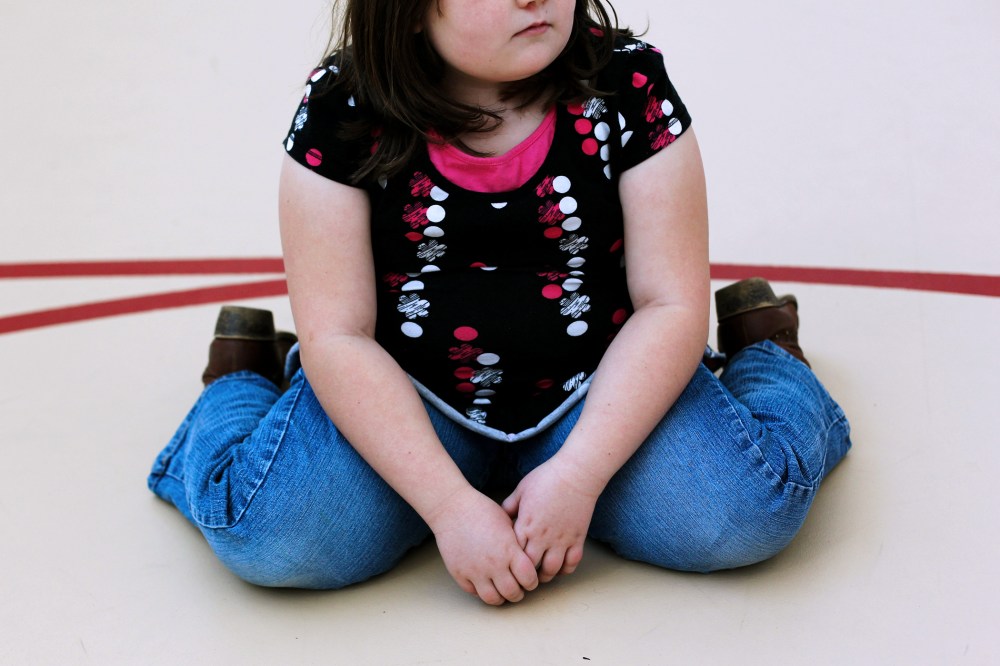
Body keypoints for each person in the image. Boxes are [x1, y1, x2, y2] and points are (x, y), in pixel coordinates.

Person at [148, 0, 851, 606]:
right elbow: (339, 334)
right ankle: (239, 385)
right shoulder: (344, 105)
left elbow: (669, 305)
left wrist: (580, 473)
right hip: (409, 399)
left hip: (597, 394)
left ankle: (767, 357)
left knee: (749, 511)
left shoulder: (627, 86)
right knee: (271, 536)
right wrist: (449, 507)